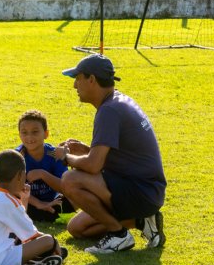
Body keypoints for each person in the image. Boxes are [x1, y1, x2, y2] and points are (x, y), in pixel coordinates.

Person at [56, 54, 167, 254]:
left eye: (78, 78)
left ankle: (118, 235)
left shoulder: (109, 111)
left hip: (142, 191)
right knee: (77, 229)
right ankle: (142, 221)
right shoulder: (117, 102)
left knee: (69, 180)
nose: (74, 85)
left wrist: (65, 157)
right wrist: (86, 149)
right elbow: (117, 156)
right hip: (145, 190)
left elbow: (93, 166)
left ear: (92, 80)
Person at [0, 150, 66, 265]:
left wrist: (24, 199)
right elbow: (31, 235)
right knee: (48, 240)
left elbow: (19, 221)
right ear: (21, 176)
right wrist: (54, 244)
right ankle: (33, 260)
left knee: (19, 237)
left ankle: (33, 259)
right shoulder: (8, 202)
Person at [16, 110, 75, 222]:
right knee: (12, 201)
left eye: (35, 132)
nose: (29, 137)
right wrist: (39, 204)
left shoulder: (54, 154)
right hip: (29, 202)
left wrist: (43, 174)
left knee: (77, 196)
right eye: (24, 132)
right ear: (19, 134)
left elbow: (64, 188)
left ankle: (46, 214)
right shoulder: (17, 156)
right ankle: (47, 215)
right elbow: (14, 188)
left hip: (54, 201)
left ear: (46, 134)